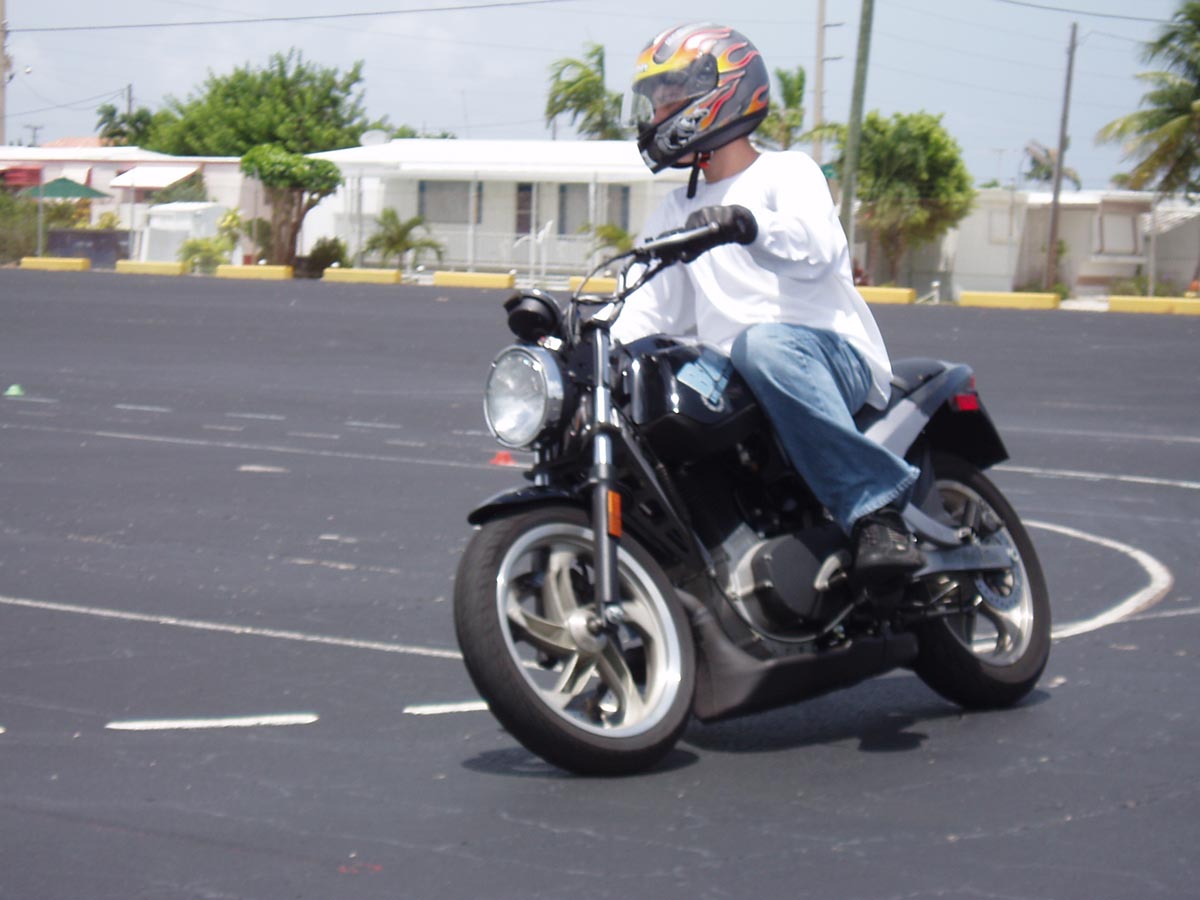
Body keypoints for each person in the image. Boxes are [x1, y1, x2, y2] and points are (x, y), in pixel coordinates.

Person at [611, 22, 924, 581]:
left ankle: (876, 511)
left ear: (723, 90)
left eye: (670, 95)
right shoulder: (673, 211)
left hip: (828, 354)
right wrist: (589, 343)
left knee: (762, 345)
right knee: (650, 393)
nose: (658, 111)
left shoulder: (787, 171)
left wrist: (750, 225)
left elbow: (819, 249)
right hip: (735, 371)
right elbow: (648, 310)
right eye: (654, 99)